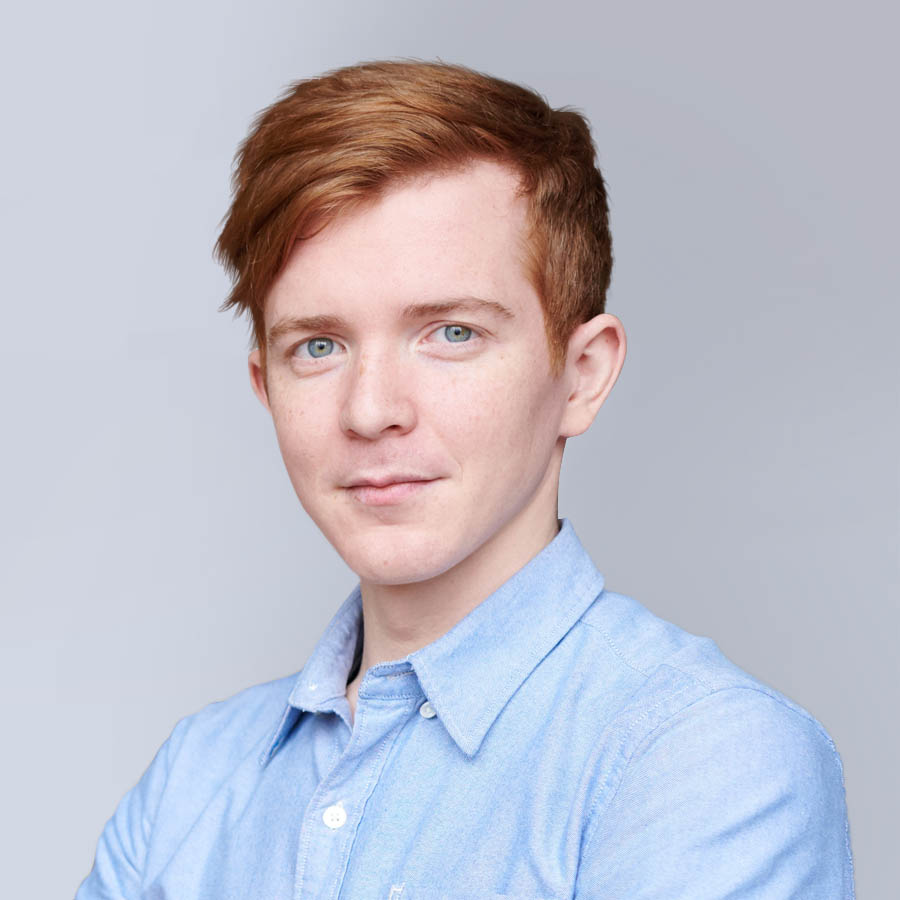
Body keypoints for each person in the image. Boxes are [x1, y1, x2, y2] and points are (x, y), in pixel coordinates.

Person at [77, 60, 855, 899]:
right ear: (266, 387)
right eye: (319, 347)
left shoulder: (703, 759)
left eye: (452, 333)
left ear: (583, 374)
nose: (371, 410)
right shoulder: (190, 783)